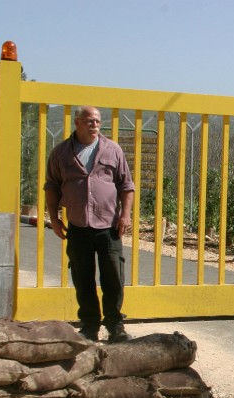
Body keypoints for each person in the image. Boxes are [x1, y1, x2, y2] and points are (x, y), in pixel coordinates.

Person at [44, 106, 135, 343]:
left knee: (113, 278)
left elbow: (126, 186)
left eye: (97, 121)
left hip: (109, 227)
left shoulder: (112, 150)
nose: (94, 125)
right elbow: (52, 186)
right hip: (78, 227)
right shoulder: (61, 153)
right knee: (83, 279)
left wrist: (125, 215)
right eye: (89, 121)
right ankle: (90, 325)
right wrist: (54, 218)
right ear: (77, 123)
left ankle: (115, 325)